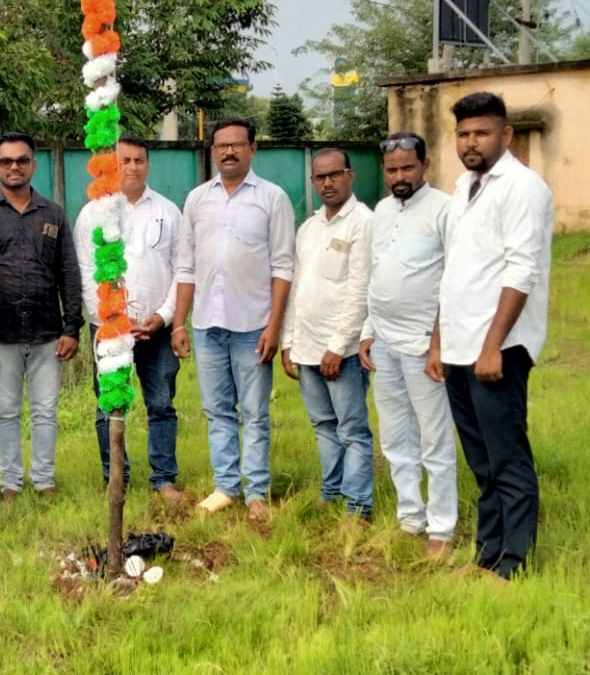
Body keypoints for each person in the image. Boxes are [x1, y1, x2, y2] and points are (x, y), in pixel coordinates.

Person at [426, 92, 553, 579]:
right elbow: (455, 272)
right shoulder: (464, 187)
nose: (470, 142)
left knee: (507, 459)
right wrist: (439, 342)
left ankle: (512, 566)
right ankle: (487, 557)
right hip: (460, 347)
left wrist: (492, 346)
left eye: (481, 132)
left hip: (498, 349)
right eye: (463, 134)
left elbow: (522, 271)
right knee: (481, 461)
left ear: (506, 134)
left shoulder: (522, 188)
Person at [172, 117, 294, 521]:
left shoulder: (272, 198)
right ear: (212, 151)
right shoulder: (197, 199)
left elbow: (283, 267)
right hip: (208, 325)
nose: (228, 151)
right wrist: (179, 322)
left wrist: (274, 327)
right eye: (221, 145)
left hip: (253, 325)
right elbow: (186, 266)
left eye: (237, 144)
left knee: (255, 412)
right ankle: (226, 486)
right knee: (217, 411)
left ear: (252, 149)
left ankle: (256, 490)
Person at [0, 133, 82, 499]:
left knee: (46, 411)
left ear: (33, 165)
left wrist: (71, 326)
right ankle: (10, 484)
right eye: (6, 161)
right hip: (0, 335)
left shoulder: (53, 214)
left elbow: (68, 272)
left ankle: (44, 480)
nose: (14, 167)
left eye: (21, 160)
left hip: (48, 332)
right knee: (6, 412)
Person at [359, 133, 456, 555]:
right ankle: (410, 518)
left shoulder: (444, 210)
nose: (399, 176)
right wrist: (367, 330)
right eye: (392, 170)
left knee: (434, 440)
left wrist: (438, 344)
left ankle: (441, 529)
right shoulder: (381, 211)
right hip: (383, 343)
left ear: (425, 166)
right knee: (396, 438)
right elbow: (375, 274)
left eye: (407, 168)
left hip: (423, 346)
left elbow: (453, 282)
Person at [74, 135, 183, 502]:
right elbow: (86, 271)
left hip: (156, 328)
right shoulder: (94, 213)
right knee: (110, 405)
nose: (132, 167)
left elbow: (182, 269)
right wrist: (111, 320)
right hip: (109, 328)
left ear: (147, 164)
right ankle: (115, 477)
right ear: (113, 164)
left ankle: (163, 478)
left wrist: (164, 316)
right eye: (125, 160)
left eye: (139, 160)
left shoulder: (167, 211)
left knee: (161, 403)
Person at [281, 148, 374, 520]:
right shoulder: (310, 228)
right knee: (323, 425)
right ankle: (331, 492)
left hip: (342, 351)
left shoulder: (363, 222)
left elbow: (360, 290)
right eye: (320, 177)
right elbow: (298, 289)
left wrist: (338, 346)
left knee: (352, 429)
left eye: (335, 174)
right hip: (306, 347)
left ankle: (358, 506)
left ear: (350, 175)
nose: (328, 183)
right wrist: (289, 342)